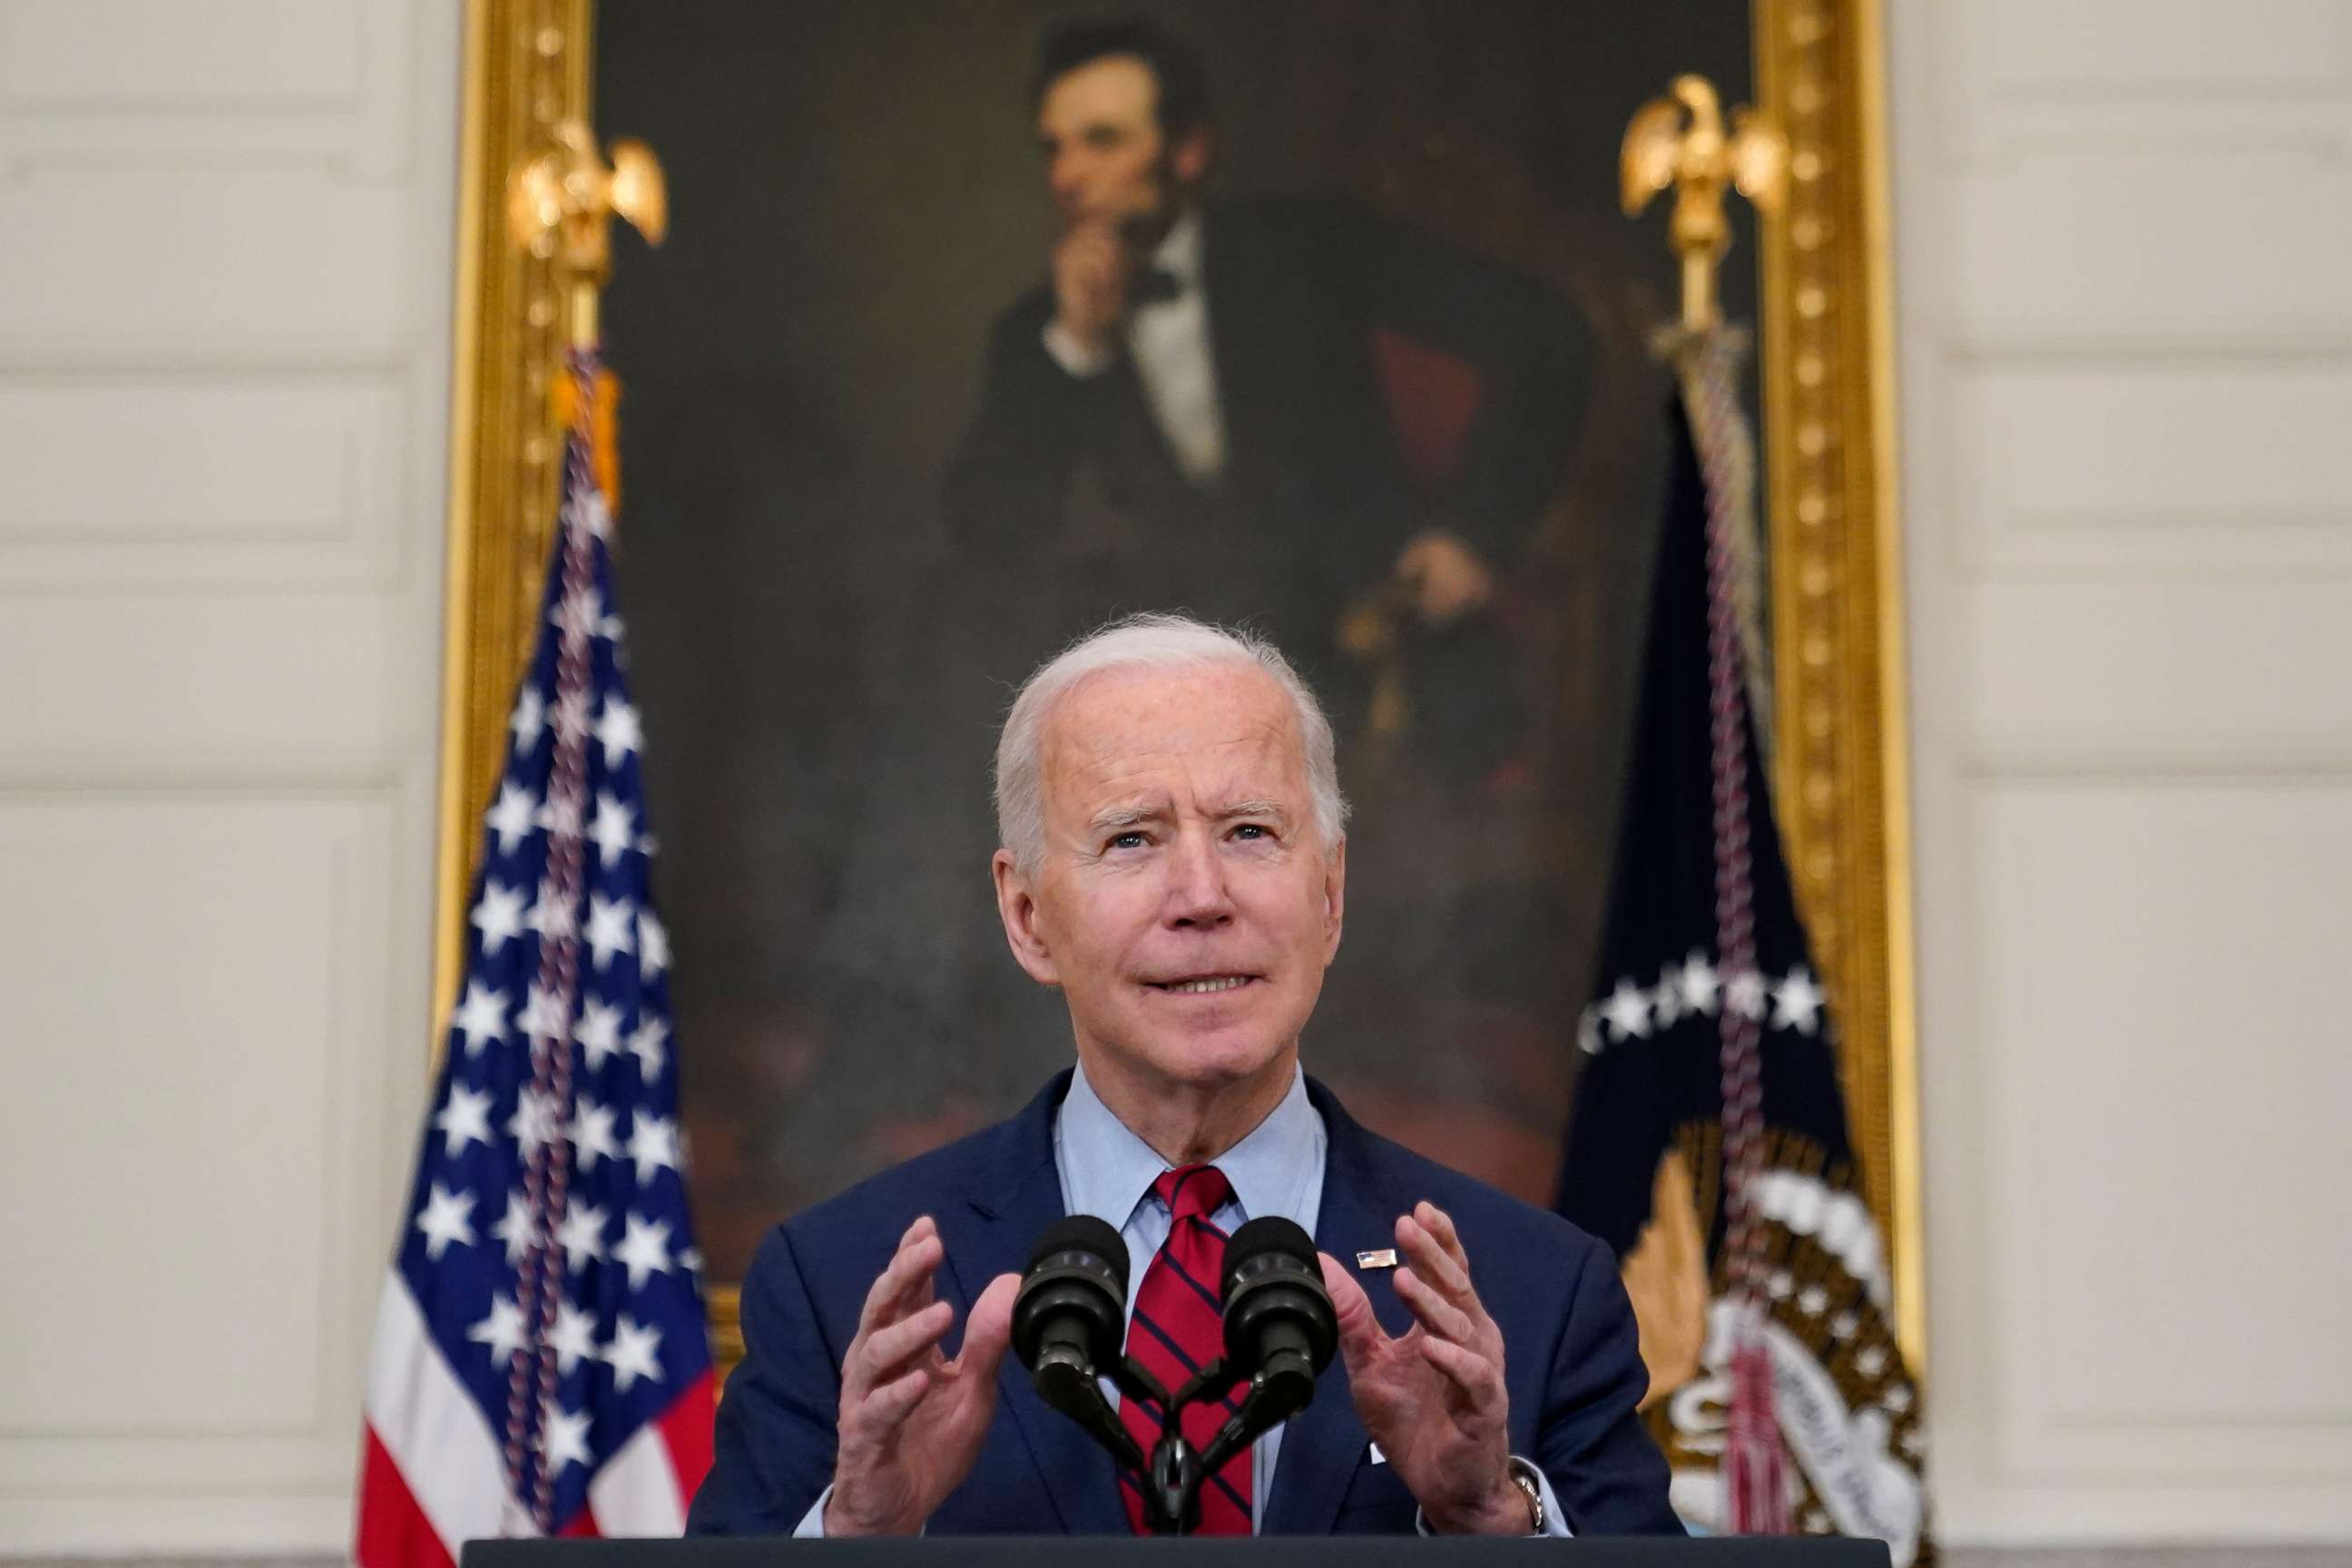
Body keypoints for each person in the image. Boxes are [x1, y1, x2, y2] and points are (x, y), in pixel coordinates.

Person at [686, 614, 1680, 1536]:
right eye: (1132, 839)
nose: (1203, 897)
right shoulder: (838, 1287)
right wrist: (855, 1538)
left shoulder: (1537, 1294)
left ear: (1329, 894)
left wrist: (1492, 1521)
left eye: (1250, 831)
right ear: (1028, 917)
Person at [940, 17, 1586, 715]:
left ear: (1187, 151)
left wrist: (1471, 531)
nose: (1067, 176)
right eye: (1054, 149)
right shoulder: (1035, 335)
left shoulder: (1309, 250)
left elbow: (1545, 334)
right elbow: (986, 532)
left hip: (1368, 651)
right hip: (1160, 693)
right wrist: (1074, 348)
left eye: (1102, 141)